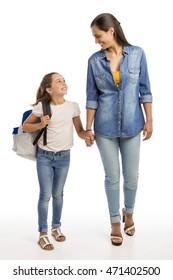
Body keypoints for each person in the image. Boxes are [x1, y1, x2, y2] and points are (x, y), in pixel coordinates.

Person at [85, 13, 153, 246]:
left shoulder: (137, 54)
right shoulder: (94, 61)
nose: (96, 41)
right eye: (95, 37)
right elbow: (92, 97)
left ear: (111, 31)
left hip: (134, 125)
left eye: (98, 36)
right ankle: (115, 222)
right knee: (112, 177)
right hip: (104, 128)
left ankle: (129, 213)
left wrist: (150, 119)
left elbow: (145, 90)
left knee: (131, 178)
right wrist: (88, 128)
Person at [22, 72, 91, 250]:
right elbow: (25, 126)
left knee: (58, 194)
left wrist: (88, 136)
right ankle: (43, 233)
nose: (64, 82)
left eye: (64, 80)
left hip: (64, 157)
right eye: (58, 81)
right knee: (45, 195)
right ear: (49, 89)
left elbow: (80, 131)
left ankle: (56, 227)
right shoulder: (41, 107)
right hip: (45, 157)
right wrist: (40, 124)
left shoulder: (73, 107)